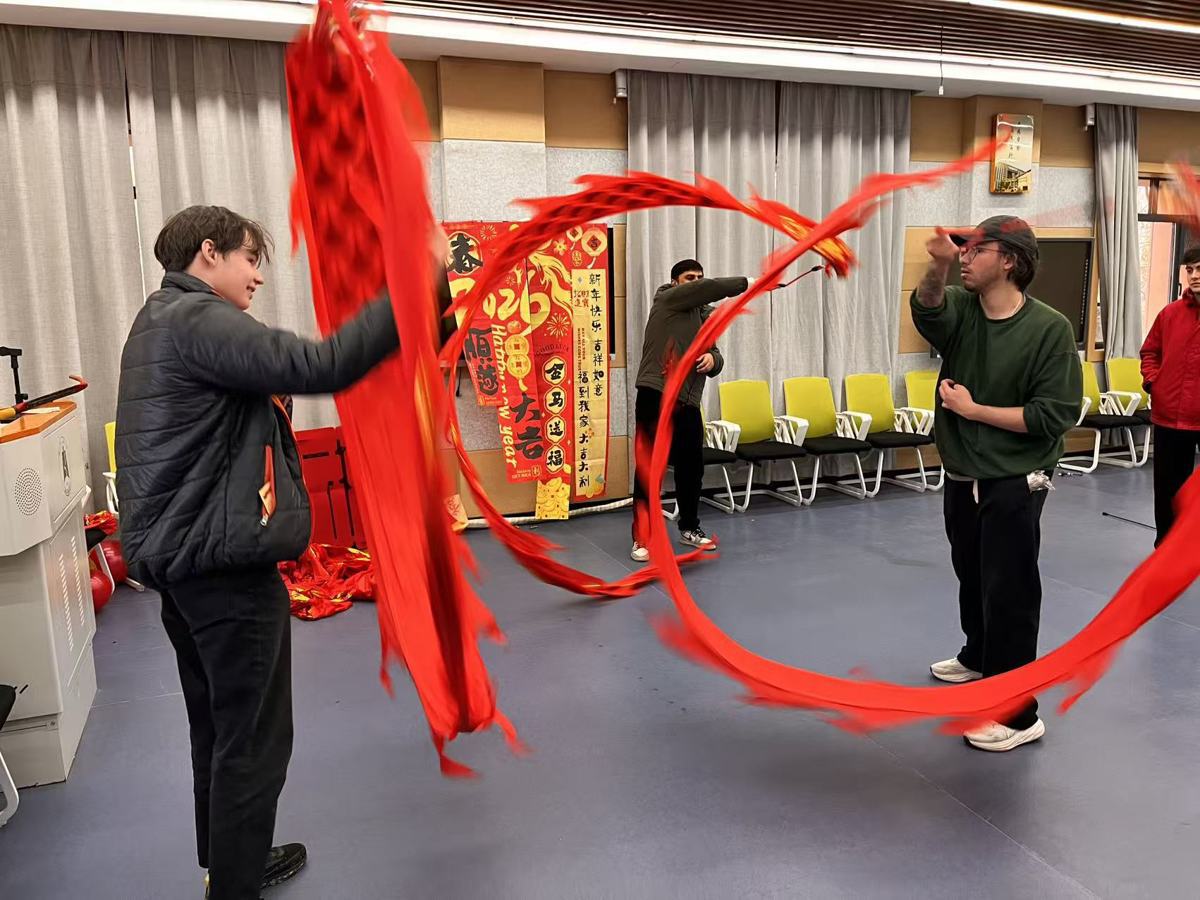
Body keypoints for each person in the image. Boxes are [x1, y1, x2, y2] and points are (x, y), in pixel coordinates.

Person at [115, 206, 401, 899]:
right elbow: (320, 363)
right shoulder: (198, 319)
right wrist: (413, 288)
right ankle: (234, 885)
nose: (259, 276)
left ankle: (229, 865)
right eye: (250, 258)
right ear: (209, 252)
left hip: (186, 566)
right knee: (253, 741)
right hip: (224, 571)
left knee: (217, 726)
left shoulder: (159, 320)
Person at [911, 216, 1082, 752]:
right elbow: (928, 308)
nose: (964, 257)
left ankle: (1018, 713)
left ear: (1008, 260)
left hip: (1015, 477)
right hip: (964, 470)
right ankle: (979, 654)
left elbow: (1054, 415)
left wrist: (974, 409)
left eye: (975, 250)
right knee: (971, 568)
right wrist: (937, 264)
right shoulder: (963, 309)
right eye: (961, 250)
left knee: (1009, 589)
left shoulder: (1049, 328)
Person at [631, 258, 746, 562]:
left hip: (688, 401)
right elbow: (706, 289)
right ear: (675, 283)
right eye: (689, 278)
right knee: (648, 467)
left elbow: (716, 354)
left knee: (691, 468)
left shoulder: (705, 317)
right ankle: (642, 536)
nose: (695, 282)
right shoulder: (667, 299)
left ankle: (689, 528)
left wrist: (713, 360)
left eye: (699, 277)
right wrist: (748, 283)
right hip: (656, 394)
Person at [1140, 245, 1200, 546]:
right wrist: (1155, 383)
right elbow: (1150, 352)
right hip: (1169, 417)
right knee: (1167, 489)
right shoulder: (1170, 314)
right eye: (1190, 269)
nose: (1194, 275)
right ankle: (1166, 547)